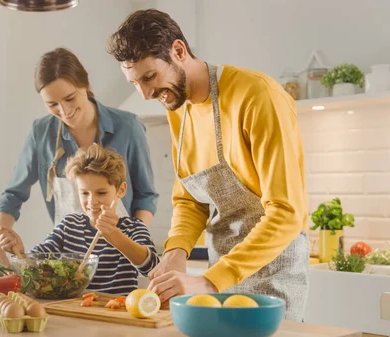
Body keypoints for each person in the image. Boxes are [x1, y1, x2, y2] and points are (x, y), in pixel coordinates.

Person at [106, 9, 309, 321]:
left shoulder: (257, 96)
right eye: (134, 82)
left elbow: (287, 212)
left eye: (149, 77)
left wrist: (209, 280)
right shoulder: (178, 107)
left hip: (273, 277)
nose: (145, 94)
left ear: (178, 51)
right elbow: (189, 198)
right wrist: (176, 253)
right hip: (221, 277)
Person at [0, 48, 158, 264]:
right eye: (52, 104)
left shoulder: (128, 126)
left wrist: (131, 241)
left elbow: (146, 195)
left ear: (85, 86)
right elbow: (13, 195)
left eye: (70, 98)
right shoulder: (41, 133)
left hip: (122, 257)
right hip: (68, 259)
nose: (64, 110)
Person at [0, 144, 159, 295]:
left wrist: (114, 236)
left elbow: (152, 267)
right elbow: (35, 264)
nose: (92, 201)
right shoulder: (69, 226)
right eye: (84, 193)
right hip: (73, 312)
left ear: (121, 190)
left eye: (101, 193)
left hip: (116, 314)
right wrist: (20, 252)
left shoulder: (133, 228)